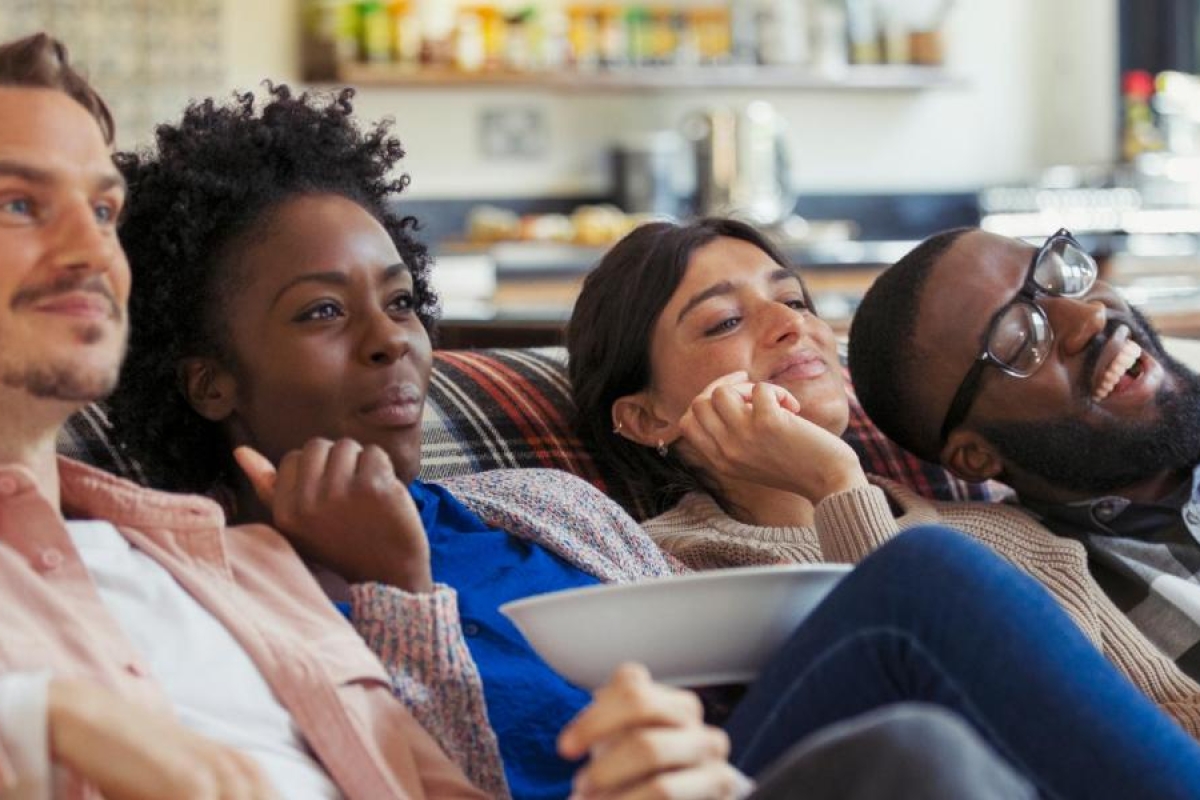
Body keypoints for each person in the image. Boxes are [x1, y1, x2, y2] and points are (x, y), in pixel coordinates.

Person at [105, 85, 1200, 800]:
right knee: (927, 597)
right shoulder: (213, 582)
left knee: (933, 750)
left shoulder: (530, 498)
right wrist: (395, 586)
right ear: (206, 377)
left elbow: (729, 692)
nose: (394, 341)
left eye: (400, 300)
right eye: (323, 312)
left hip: (738, 762)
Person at [0, 31, 488, 799]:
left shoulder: (249, 569)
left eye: (101, 209)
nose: (92, 250)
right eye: (19, 204)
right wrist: (33, 718)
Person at [567, 218, 1200, 736]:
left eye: (793, 300)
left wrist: (841, 489)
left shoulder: (1005, 533)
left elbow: (1178, 716)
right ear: (648, 417)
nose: (793, 324)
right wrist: (835, 485)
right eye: (725, 322)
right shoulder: (660, 569)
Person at [848, 226, 1200, 684]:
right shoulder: (1045, 599)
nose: (1088, 316)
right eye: (1018, 338)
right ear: (975, 457)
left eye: (1054, 273)